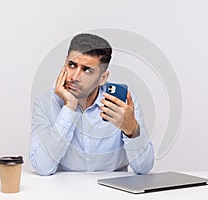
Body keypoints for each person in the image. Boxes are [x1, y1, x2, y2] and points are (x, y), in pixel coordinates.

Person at [29, 33, 154, 175]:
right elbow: (43, 167)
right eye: (71, 65)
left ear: (103, 78)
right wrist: (69, 107)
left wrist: (132, 130)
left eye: (87, 70)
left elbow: (143, 168)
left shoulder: (123, 103)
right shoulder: (45, 104)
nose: (74, 77)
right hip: (64, 192)